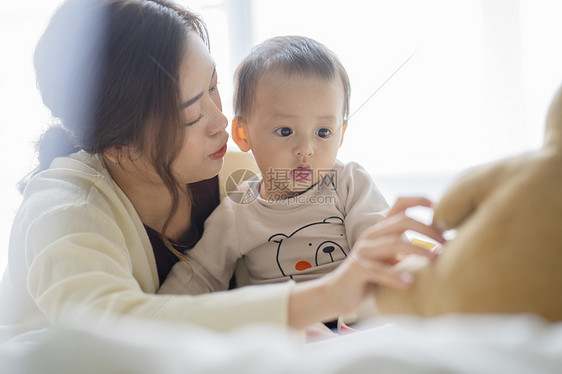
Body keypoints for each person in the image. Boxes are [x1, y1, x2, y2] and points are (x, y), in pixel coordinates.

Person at [0, 0, 444, 342]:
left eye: (214, 87)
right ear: (117, 144)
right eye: (192, 116)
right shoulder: (64, 210)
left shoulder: (234, 174)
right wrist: (323, 297)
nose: (221, 123)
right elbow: (112, 331)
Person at [158, 37, 394, 303]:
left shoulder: (350, 183)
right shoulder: (238, 211)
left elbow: (380, 244)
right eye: (285, 131)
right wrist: (159, 314)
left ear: (341, 135)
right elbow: (200, 275)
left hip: (353, 315)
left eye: (323, 132)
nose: (306, 149)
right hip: (283, 327)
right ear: (243, 133)